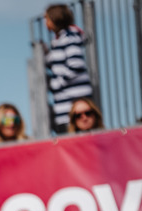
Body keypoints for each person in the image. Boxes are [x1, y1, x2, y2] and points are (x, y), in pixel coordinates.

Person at [45, 4, 94, 133]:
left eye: (47, 18)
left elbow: (76, 64)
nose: (45, 23)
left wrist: (57, 83)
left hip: (73, 103)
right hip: (65, 106)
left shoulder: (69, 37)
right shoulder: (61, 39)